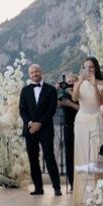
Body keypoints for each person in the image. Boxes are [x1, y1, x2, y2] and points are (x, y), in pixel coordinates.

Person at [18, 65, 63, 195]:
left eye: (36, 71)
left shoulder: (51, 90)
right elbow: (22, 110)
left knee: (49, 157)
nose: (34, 74)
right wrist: (31, 123)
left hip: (45, 129)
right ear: (29, 75)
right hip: (30, 129)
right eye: (31, 72)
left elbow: (51, 109)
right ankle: (38, 188)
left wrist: (40, 123)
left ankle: (57, 188)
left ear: (41, 72)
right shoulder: (25, 91)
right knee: (33, 159)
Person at [72, 55, 103, 206]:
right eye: (85, 67)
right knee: (82, 156)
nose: (88, 69)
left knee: (95, 156)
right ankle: (84, 197)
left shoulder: (102, 82)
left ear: (96, 68)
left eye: (91, 67)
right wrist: (79, 83)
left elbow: (100, 101)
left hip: (96, 120)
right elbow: (74, 98)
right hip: (81, 121)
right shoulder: (79, 83)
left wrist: (93, 84)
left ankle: (97, 196)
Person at [56, 72, 78, 191]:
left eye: (72, 82)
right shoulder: (64, 94)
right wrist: (56, 90)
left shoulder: (80, 94)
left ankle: (79, 182)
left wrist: (69, 103)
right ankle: (72, 183)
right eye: (68, 82)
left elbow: (83, 108)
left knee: (79, 155)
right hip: (68, 127)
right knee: (69, 155)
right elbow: (55, 105)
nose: (70, 84)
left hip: (80, 126)